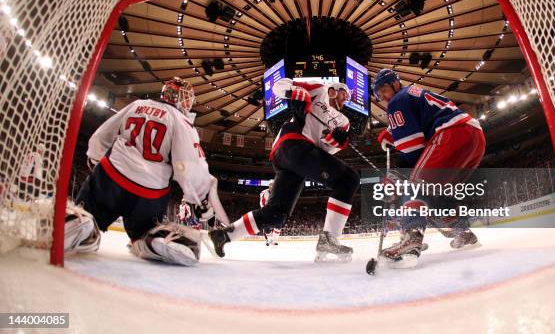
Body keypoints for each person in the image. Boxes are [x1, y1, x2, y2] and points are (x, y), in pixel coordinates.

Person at [66, 77, 216, 266]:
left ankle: (79, 224)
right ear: (181, 99)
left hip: (111, 176)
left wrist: (95, 158)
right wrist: (199, 198)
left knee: (86, 213)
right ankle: (154, 240)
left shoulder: (137, 105)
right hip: (149, 192)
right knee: (145, 230)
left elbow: (102, 135)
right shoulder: (182, 121)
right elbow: (190, 166)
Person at [205, 80, 360, 262]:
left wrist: (337, 142)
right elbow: (278, 85)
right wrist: (294, 92)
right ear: (335, 89)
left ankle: (224, 235)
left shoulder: (344, 122)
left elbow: (325, 152)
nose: (345, 100)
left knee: (276, 215)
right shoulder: (319, 89)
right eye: (345, 94)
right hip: (293, 146)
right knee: (348, 179)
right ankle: (329, 239)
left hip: (295, 158)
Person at [373, 69, 485, 267]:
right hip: (474, 136)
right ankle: (464, 233)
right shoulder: (413, 94)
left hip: (452, 134)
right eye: (378, 93)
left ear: (395, 83)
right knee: (435, 193)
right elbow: (416, 127)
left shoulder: (398, 100)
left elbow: (413, 150)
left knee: (415, 186)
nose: (382, 96)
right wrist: (391, 134)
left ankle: (411, 239)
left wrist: (396, 175)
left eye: (383, 89)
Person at [259, 181, 280, 246]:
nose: (272, 186)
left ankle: (273, 240)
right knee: (266, 227)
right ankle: (269, 240)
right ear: (269, 186)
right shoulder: (264, 192)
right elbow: (262, 203)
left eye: (273, 185)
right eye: (270, 185)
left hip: (275, 211)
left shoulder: (278, 192)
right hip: (266, 211)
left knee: (278, 225)